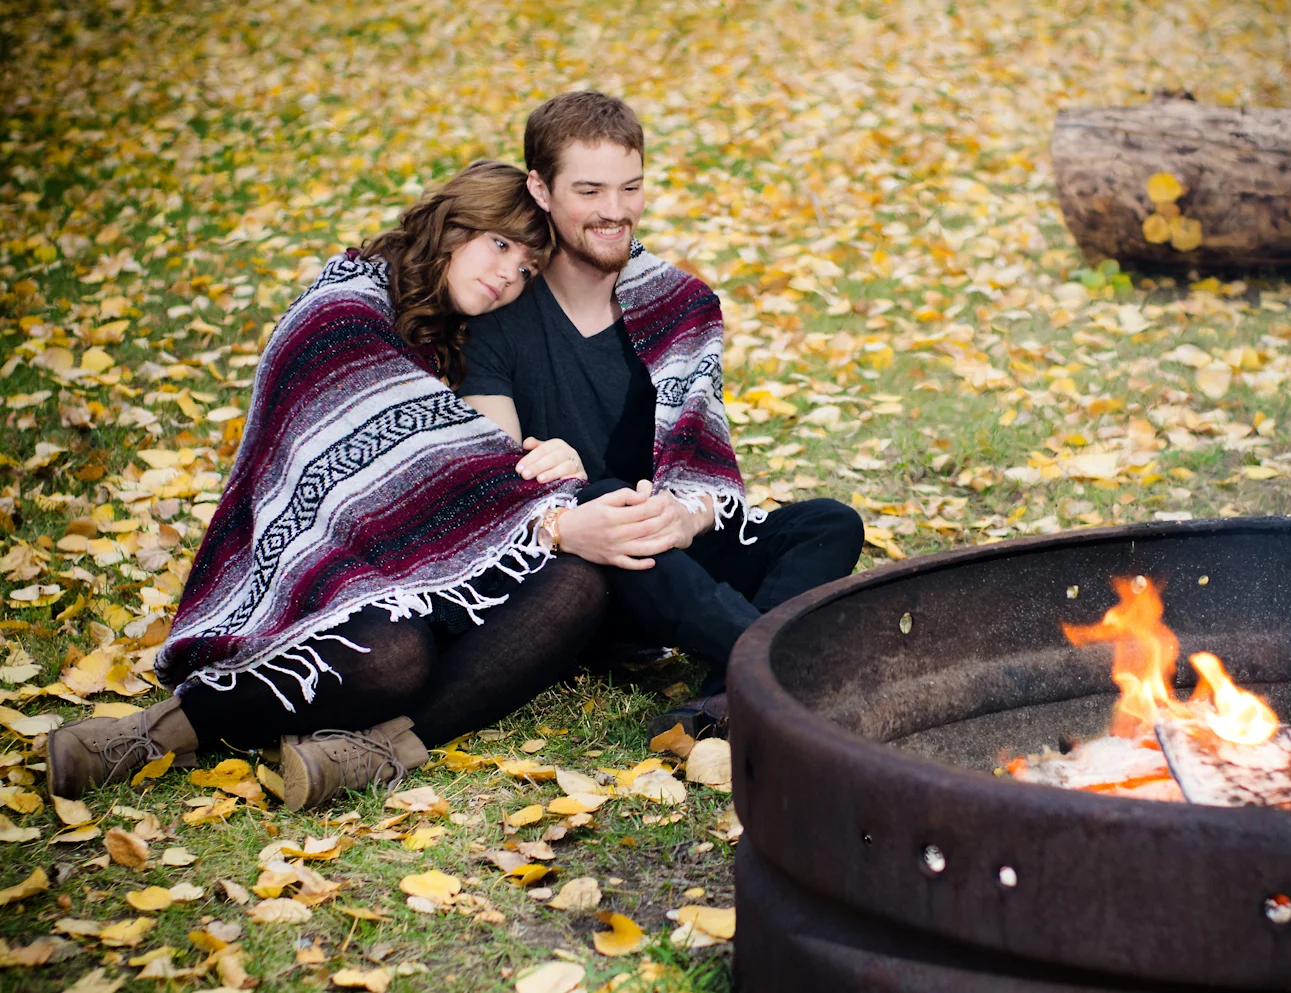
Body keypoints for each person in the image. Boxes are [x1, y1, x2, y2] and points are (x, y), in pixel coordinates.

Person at [47, 161, 607, 810]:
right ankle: (157, 732)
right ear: (453, 225)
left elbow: (481, 456)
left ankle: (376, 752)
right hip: (314, 566)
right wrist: (539, 514)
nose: (510, 272)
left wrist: (548, 457)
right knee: (391, 658)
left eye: (528, 268)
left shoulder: (465, 332)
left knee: (580, 584)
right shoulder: (343, 309)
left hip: (425, 566)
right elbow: (429, 457)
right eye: (501, 243)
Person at [461, 92, 865, 740]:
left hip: (671, 556)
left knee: (828, 522)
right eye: (589, 190)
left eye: (631, 187)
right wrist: (586, 514)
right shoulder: (499, 316)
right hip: (578, 572)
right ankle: (783, 676)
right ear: (540, 188)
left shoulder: (681, 304)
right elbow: (500, 490)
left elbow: (703, 468)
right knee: (608, 496)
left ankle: (720, 703)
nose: (614, 211)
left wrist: (687, 515)